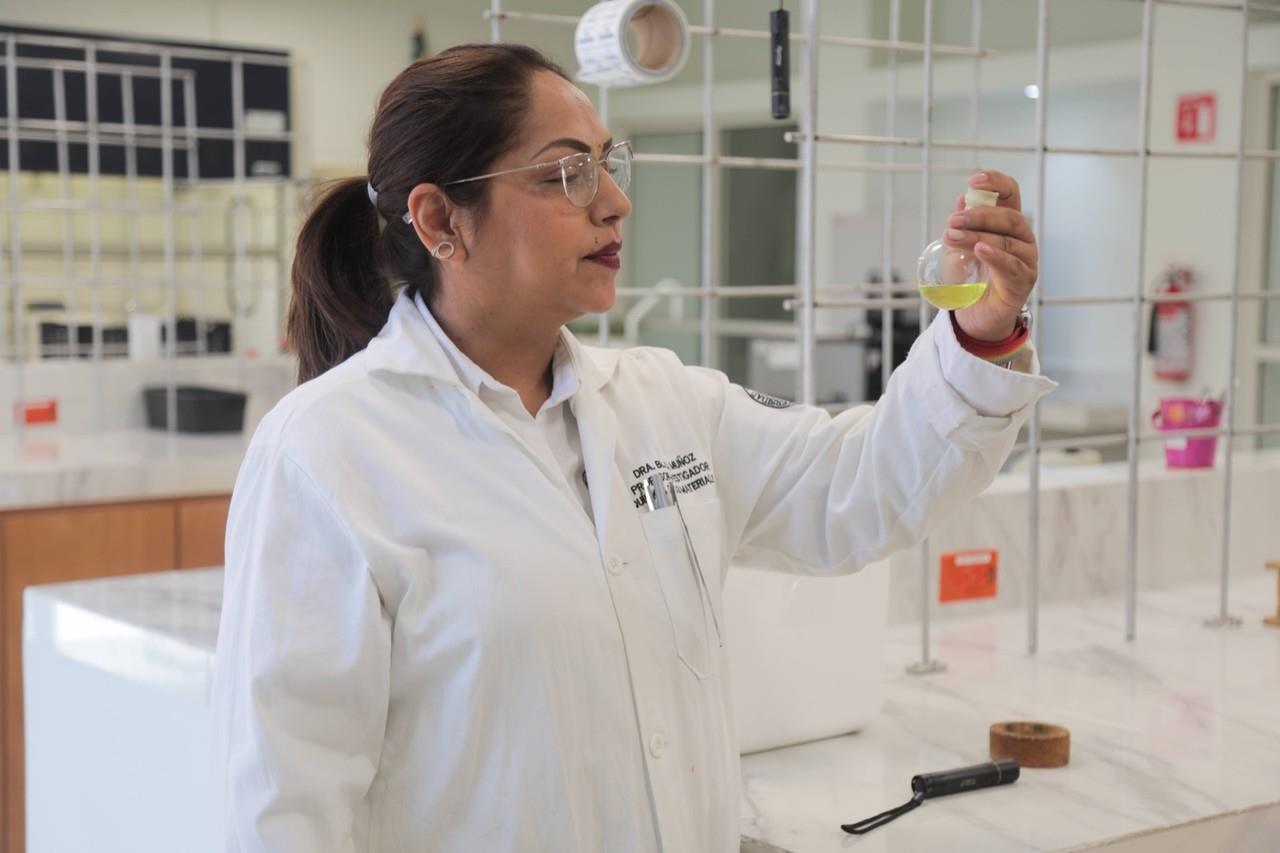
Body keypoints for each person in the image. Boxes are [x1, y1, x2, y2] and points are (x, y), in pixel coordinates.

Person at [211, 43, 1055, 853]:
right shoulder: (328, 449)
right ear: (440, 221)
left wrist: (979, 332)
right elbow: (285, 804)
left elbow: (865, 486)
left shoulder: (666, 401)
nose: (614, 201)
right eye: (565, 172)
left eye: (609, 164)